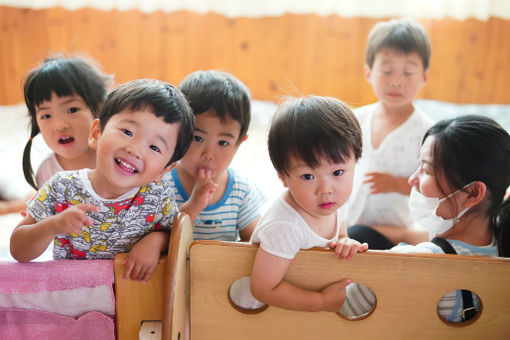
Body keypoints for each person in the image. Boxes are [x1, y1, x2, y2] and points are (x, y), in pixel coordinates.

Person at [10, 79, 194, 283]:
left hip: (133, 303)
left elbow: (179, 236)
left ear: (165, 169)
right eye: (127, 132)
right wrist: (52, 225)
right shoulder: (62, 187)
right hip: (72, 298)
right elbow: (18, 249)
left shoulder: (157, 196)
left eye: (154, 147)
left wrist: (156, 241)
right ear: (97, 133)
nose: (135, 150)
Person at [340, 115, 510, 322]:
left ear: (473, 193)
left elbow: (337, 312)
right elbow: (407, 234)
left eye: (426, 169)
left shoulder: (412, 264)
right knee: (361, 232)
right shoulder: (498, 237)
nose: (412, 179)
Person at [230, 96, 368, 312]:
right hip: (256, 314)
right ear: (283, 177)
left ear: (355, 162)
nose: (326, 189)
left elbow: (339, 234)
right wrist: (321, 302)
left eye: (338, 172)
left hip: (301, 307)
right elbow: (263, 289)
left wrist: (344, 241)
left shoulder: (336, 201)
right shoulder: (285, 226)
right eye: (307, 176)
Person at [345, 18, 435, 249]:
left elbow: (434, 187)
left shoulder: (427, 132)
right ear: (368, 73)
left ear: (424, 76)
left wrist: (396, 184)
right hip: (347, 223)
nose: (396, 81)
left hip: (393, 235)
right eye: (386, 70)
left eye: (408, 72)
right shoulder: (354, 120)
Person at [166, 70, 265, 241]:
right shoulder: (161, 184)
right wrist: (194, 205)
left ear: (239, 143)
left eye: (223, 143)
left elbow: (256, 243)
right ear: (178, 132)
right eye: (197, 138)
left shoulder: (240, 190)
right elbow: (162, 240)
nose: (209, 154)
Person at [22, 56, 112, 190]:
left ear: (99, 109)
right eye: (46, 115)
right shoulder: (47, 173)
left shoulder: (115, 158)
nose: (60, 125)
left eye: (72, 110)